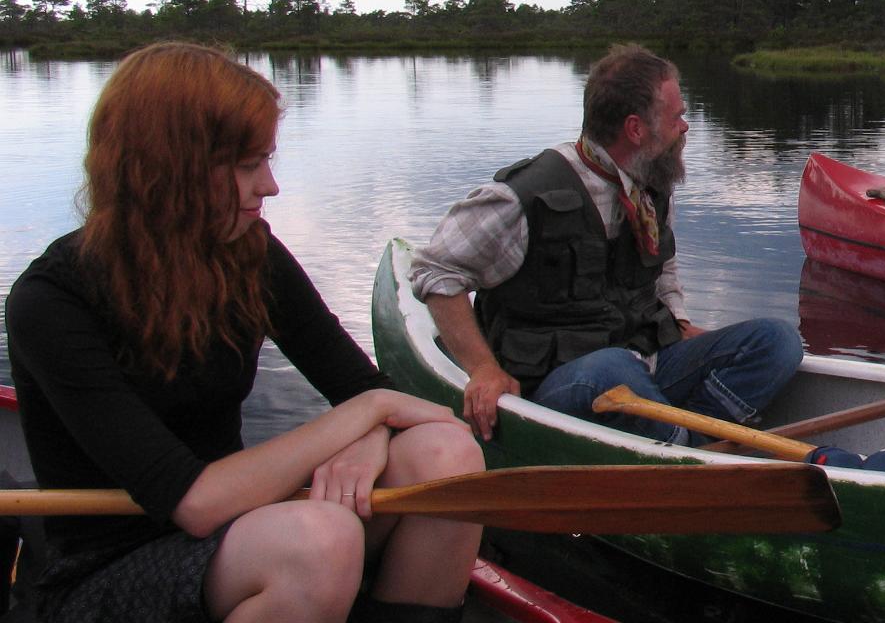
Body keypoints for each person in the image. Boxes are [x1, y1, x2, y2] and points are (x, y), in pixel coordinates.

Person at [4, 42, 484, 623]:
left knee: (446, 455)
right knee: (317, 542)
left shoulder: (246, 254)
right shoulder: (53, 301)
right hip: (107, 568)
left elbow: (371, 393)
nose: (271, 186)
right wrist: (370, 412)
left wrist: (371, 431)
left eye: (267, 159)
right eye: (245, 165)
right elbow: (195, 502)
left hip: (240, 528)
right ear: (167, 170)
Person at [410, 43, 802, 445]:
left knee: (777, 341)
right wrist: (482, 369)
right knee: (613, 369)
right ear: (635, 129)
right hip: (563, 383)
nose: (685, 126)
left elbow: (662, 269)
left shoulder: (651, 184)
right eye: (677, 116)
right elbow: (435, 270)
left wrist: (680, 325)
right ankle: (684, 447)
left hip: (646, 359)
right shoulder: (525, 197)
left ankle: (687, 443)